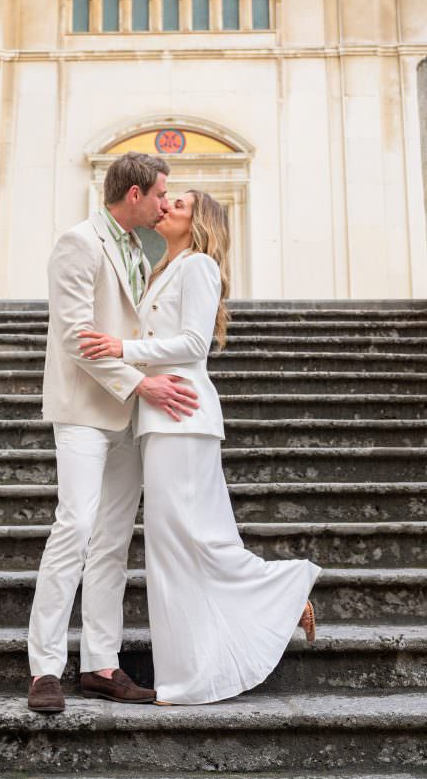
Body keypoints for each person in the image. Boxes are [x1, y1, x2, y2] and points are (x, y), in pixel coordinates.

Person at [79, 190, 321, 705]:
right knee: (171, 547)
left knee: (193, 537)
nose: (166, 207)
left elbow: (194, 344)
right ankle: (188, 671)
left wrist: (123, 348)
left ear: (200, 222)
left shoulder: (199, 267)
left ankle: (282, 591)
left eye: (180, 205)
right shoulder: (163, 269)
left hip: (183, 415)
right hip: (159, 417)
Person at [27, 152, 200, 713]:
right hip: (84, 409)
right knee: (74, 526)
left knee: (112, 540)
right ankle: (45, 669)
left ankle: (101, 664)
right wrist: (140, 383)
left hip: (129, 417)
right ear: (134, 194)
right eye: (161, 194)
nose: (165, 204)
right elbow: (76, 335)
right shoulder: (78, 242)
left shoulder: (139, 251)